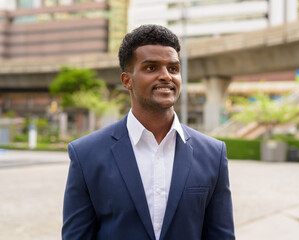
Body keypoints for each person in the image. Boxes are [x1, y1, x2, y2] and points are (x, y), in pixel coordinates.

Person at [62, 24, 235, 240]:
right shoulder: (85, 154)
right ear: (127, 81)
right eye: (151, 68)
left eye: (173, 69)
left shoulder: (213, 153)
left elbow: (221, 235)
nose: (166, 76)